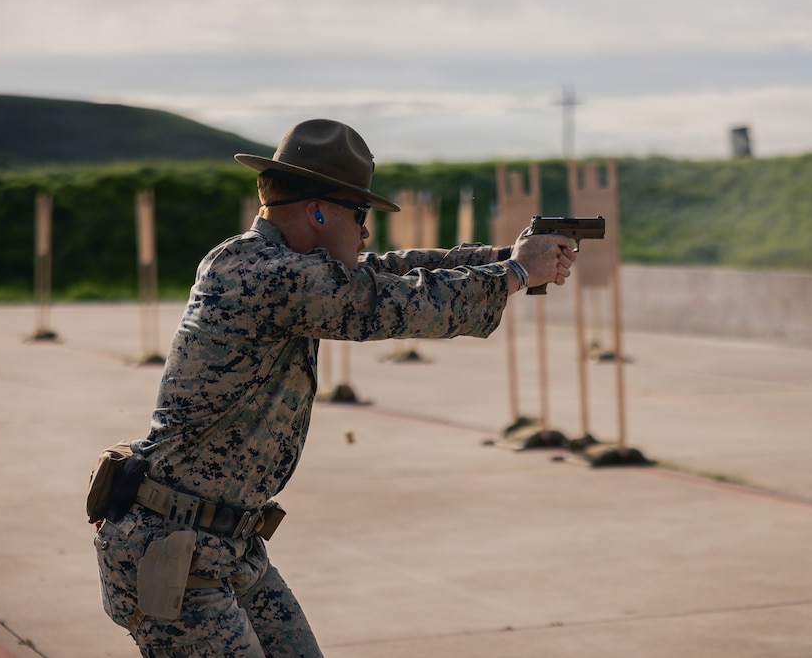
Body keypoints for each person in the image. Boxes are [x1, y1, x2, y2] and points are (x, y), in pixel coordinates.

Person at [92, 119, 575, 656]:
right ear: (318, 211)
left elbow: (389, 271)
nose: (366, 232)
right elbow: (390, 304)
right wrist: (512, 275)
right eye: (360, 214)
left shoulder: (284, 267)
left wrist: (503, 257)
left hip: (225, 546)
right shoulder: (263, 273)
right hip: (174, 552)